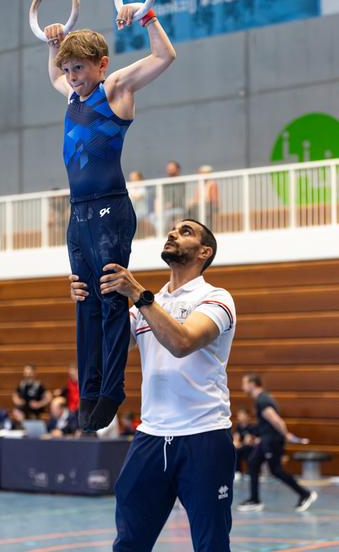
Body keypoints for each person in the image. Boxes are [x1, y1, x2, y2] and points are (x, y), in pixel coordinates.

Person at [45, 3, 176, 432]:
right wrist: (54, 44)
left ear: (102, 65)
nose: (72, 77)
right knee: (84, 298)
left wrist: (146, 16)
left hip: (109, 208)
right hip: (78, 213)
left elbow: (163, 57)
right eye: (69, 70)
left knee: (109, 294)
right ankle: (90, 388)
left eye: (80, 69)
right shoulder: (71, 94)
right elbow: (53, 74)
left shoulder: (115, 87)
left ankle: (112, 388)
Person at [71, 218, 236, 552]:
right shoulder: (148, 306)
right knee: (129, 542)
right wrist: (85, 302)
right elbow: (107, 350)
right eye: (173, 229)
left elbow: (182, 342)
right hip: (150, 439)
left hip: (204, 437)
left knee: (211, 545)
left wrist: (136, 294)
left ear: (205, 252)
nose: (173, 233)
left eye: (186, 231)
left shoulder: (217, 299)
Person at [238, 373, 318, 512]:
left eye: (244, 383)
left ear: (252, 383)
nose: (242, 387)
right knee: (253, 462)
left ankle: (305, 494)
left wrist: (286, 435)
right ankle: (254, 500)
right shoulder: (262, 399)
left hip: (272, 441)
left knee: (276, 470)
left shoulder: (262, 400)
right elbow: (266, 423)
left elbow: (276, 420)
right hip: (266, 440)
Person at [187, 165, 219, 230]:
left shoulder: (212, 184)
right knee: (190, 209)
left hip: (210, 205)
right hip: (200, 205)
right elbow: (196, 197)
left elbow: (213, 199)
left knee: (202, 210)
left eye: (204, 173)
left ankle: (205, 229)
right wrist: (193, 201)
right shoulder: (200, 184)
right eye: (201, 173)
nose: (202, 174)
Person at [233, 407, 257, 476]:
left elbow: (248, 441)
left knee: (246, 448)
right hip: (241, 447)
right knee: (235, 450)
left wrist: (240, 444)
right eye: (239, 415)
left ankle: (250, 471)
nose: (240, 417)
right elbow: (236, 438)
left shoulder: (252, 427)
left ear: (248, 416)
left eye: (242, 415)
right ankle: (237, 471)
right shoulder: (238, 427)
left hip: (251, 447)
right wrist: (236, 444)